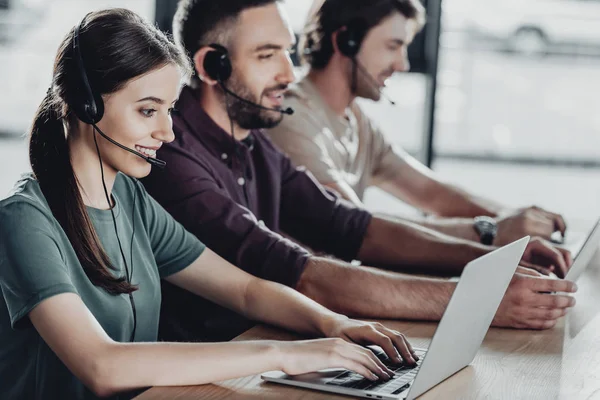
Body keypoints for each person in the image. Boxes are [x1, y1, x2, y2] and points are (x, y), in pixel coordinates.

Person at [0, 9, 422, 399]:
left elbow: (245, 289)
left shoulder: (130, 199)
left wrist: (334, 324)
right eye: (148, 111)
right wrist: (281, 354)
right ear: (85, 105)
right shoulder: (25, 220)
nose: (167, 132)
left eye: (169, 110)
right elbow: (101, 364)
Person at [141, 0, 576, 344]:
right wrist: (479, 298)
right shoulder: (171, 156)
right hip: (211, 369)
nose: (289, 73)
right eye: (267, 55)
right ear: (211, 66)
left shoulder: (254, 142)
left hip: (273, 348)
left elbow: (353, 227)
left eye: (287, 52)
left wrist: (492, 261)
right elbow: (304, 276)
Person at [266, 0, 570, 249]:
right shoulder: (292, 118)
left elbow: (433, 193)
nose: (403, 64)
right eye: (393, 46)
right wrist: (491, 230)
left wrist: (516, 220)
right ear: (345, 41)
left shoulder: (358, 122)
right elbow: (362, 230)